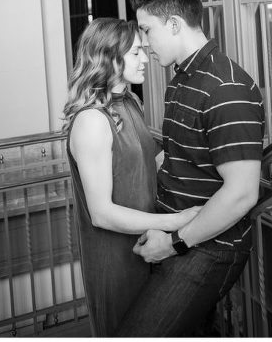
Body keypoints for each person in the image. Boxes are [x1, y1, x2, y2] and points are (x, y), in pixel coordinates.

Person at [115, 0, 264, 336]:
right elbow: (182, 155)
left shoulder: (226, 88)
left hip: (207, 247)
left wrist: (174, 243)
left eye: (147, 31)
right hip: (176, 231)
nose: (145, 43)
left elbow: (242, 192)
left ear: (174, 24)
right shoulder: (183, 78)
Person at [62, 18, 200, 336]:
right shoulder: (92, 121)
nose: (146, 58)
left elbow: (149, 163)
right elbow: (101, 213)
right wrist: (177, 221)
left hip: (148, 245)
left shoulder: (130, 102)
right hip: (116, 261)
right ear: (110, 57)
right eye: (136, 52)